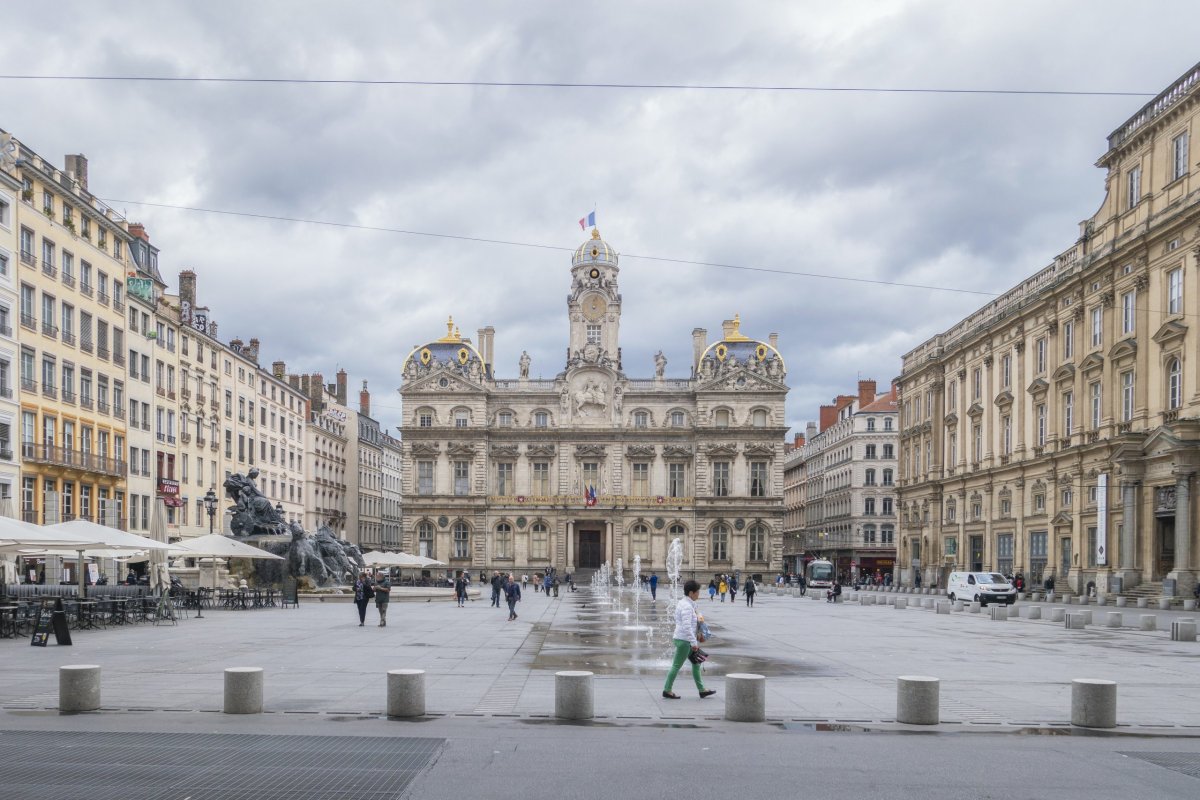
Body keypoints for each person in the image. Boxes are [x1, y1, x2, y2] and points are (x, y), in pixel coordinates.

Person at [662, 579, 716, 700]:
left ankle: (702, 690)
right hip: (684, 641)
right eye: (697, 592)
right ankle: (667, 690)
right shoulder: (686, 606)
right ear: (691, 593)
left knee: (697, 663)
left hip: (684, 639)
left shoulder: (686, 603)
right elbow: (686, 626)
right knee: (676, 666)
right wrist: (693, 642)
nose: (699, 594)